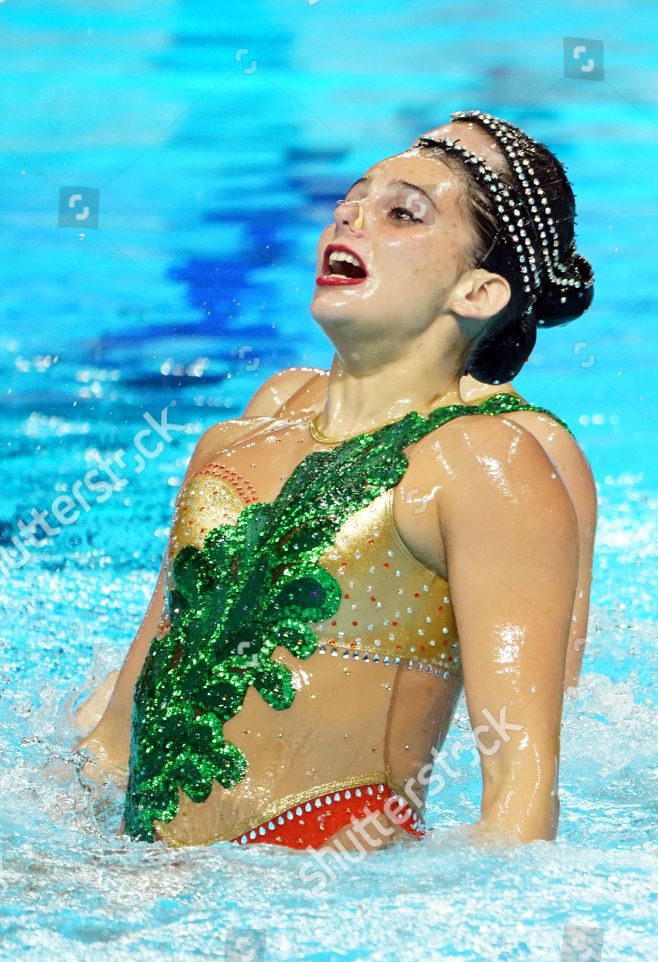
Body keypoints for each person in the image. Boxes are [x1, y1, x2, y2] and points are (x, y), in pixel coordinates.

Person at [73, 117, 595, 850]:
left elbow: (519, 797)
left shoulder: (486, 462)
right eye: (350, 201)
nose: (350, 217)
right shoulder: (233, 444)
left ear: (478, 291)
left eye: (402, 214)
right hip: (154, 878)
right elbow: (119, 730)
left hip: (330, 895)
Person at [240, 111, 598, 692]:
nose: (432, 160)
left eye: (463, 164)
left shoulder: (525, 450)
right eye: (426, 148)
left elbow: (553, 683)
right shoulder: (284, 400)